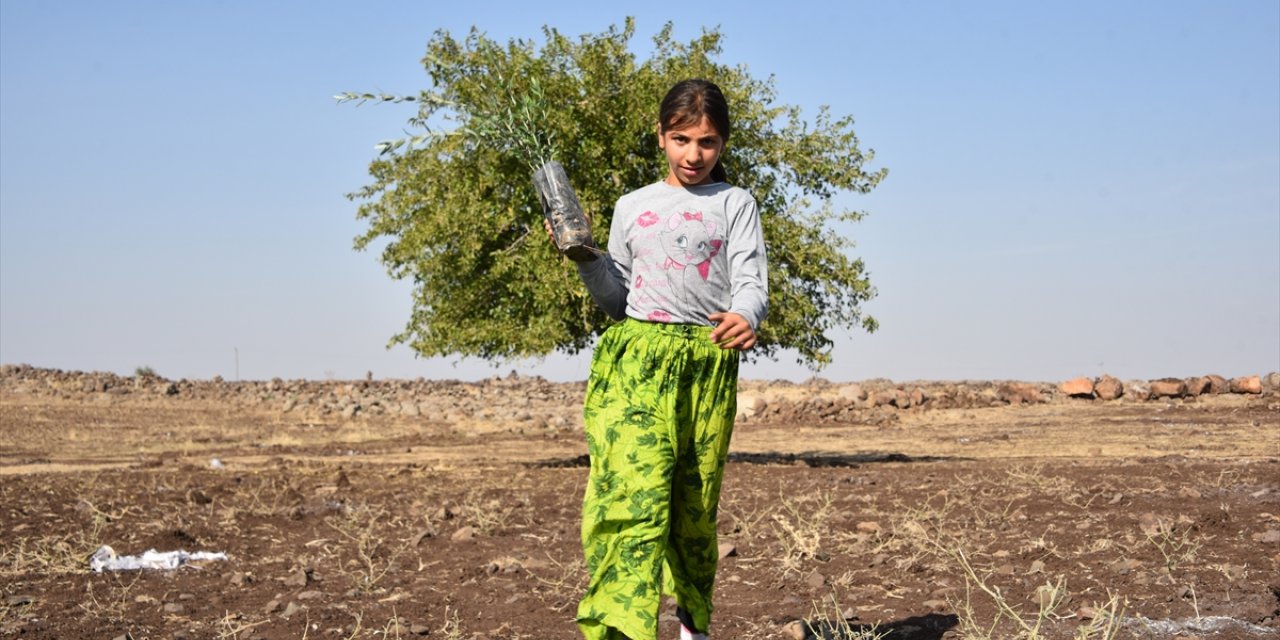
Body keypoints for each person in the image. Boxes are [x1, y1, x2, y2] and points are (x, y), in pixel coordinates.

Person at [550, 79, 768, 640]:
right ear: (660, 136)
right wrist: (581, 257)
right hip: (636, 361)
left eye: (708, 142)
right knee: (629, 497)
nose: (693, 155)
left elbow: (750, 281)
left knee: (693, 508)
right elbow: (617, 298)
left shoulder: (735, 204)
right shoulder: (633, 205)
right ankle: (620, 629)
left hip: (705, 362)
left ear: (723, 143)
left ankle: (693, 621)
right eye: (681, 139)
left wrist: (747, 315)